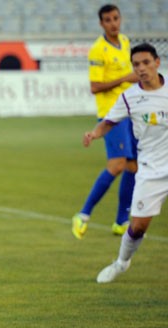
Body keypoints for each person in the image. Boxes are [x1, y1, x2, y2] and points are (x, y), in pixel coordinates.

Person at [83, 43, 166, 283]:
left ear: (157, 62)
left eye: (146, 63)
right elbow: (108, 122)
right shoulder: (129, 97)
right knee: (138, 227)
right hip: (150, 168)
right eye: (136, 64)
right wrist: (94, 134)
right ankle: (121, 263)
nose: (141, 68)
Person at [72, 4, 139, 240]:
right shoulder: (98, 50)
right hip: (112, 113)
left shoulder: (125, 42)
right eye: (108, 20)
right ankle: (83, 214)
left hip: (130, 110)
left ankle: (121, 220)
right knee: (118, 164)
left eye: (116, 18)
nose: (113, 23)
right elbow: (94, 86)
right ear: (101, 24)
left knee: (133, 166)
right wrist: (125, 79)